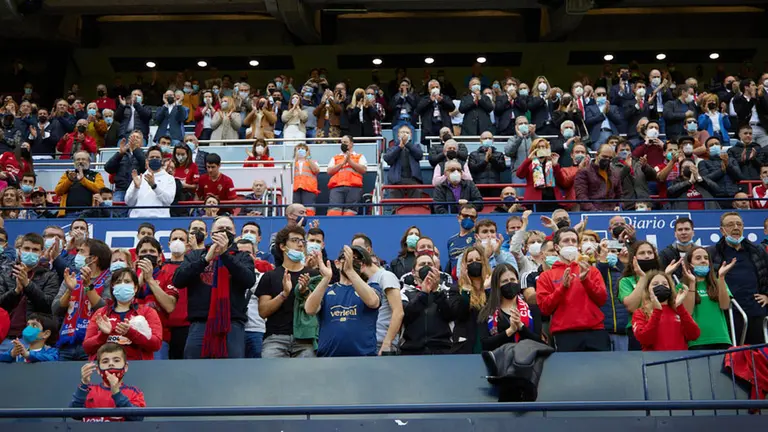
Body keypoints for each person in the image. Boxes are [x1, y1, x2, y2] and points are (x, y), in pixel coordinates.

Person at [173, 216, 256, 359]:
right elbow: (178, 280)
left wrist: (224, 255)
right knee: (194, 373)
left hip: (232, 324)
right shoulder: (195, 255)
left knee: (231, 374)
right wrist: (205, 260)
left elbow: (248, 280)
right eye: (219, 229)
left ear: (234, 234)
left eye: (228, 229)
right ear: (211, 234)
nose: (224, 232)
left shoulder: (242, 256)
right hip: (200, 324)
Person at [537, 228, 610, 352]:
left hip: (595, 331)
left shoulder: (591, 270)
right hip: (565, 334)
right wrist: (562, 288)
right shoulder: (546, 276)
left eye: (574, 241)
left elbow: (602, 299)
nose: (570, 243)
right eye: (566, 240)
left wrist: (586, 281)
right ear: (556, 247)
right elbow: (545, 308)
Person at [305, 246, 381, 357]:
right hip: (329, 359)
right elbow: (309, 309)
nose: (351, 261)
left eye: (356, 259)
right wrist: (326, 279)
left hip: (364, 359)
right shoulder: (326, 290)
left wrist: (350, 271)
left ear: (363, 266)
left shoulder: (372, 287)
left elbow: (373, 302)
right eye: (347, 258)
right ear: (337, 263)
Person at [707, 212, 768, 345]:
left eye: (739, 224)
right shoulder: (712, 253)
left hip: (756, 312)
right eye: (730, 225)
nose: (735, 227)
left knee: (758, 357)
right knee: (734, 357)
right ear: (722, 230)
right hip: (728, 313)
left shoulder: (757, 250)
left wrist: (767, 295)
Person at [256, 226, 316, 358]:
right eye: (295, 240)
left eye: (302, 241)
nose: (300, 244)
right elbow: (263, 312)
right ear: (283, 246)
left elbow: (317, 309)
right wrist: (284, 294)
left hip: (306, 339)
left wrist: (305, 292)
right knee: (272, 378)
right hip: (275, 338)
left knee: (309, 378)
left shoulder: (313, 275)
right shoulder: (269, 276)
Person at [52, 239, 113, 361]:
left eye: (81, 251)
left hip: (95, 343)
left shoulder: (109, 279)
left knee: (90, 380)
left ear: (93, 258)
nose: (77, 254)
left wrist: (88, 287)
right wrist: (70, 290)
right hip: (67, 343)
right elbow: (55, 309)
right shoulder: (72, 277)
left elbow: (105, 308)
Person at [83, 268, 162, 361]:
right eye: (118, 282)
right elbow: (87, 347)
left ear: (135, 287)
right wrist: (103, 335)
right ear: (112, 287)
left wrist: (131, 333)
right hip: (106, 370)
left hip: (139, 368)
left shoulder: (147, 312)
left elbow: (156, 344)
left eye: (127, 281)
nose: (123, 285)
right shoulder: (101, 313)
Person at [0, 233, 58, 353]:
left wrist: (28, 285)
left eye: (35, 250)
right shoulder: (6, 273)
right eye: (26, 249)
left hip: (33, 338)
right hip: (4, 337)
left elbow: (49, 306)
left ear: (42, 253)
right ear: (19, 251)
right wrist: (15, 291)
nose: (30, 252)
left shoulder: (49, 276)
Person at [400, 253, 461, 355]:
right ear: (413, 272)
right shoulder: (404, 293)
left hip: (442, 351)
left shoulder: (446, 291)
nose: (426, 267)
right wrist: (423, 294)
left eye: (430, 264)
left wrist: (436, 291)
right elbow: (406, 315)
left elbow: (450, 315)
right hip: (412, 351)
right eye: (422, 264)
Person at [353, 236, 403, 355]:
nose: (354, 258)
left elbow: (398, 312)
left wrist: (387, 344)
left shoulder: (385, 276)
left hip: (382, 344)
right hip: (365, 344)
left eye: (358, 250)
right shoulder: (363, 283)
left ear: (368, 251)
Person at [71, 343, 145, 422]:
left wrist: (116, 393)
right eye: (105, 361)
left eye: (116, 360)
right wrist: (84, 383)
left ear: (126, 367)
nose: (111, 364)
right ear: (98, 370)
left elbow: (138, 417)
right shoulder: (87, 390)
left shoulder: (134, 392)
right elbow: (74, 414)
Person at [133, 237, 179, 360]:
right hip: (131, 338)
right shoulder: (129, 277)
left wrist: (150, 280)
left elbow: (169, 306)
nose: (148, 255)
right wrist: (139, 281)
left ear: (159, 257)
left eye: (152, 251)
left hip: (159, 339)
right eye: (143, 252)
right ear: (137, 258)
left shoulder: (168, 275)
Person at [631, 270, 700, 352]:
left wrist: (680, 307)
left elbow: (694, 334)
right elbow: (645, 339)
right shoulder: (640, 313)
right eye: (655, 284)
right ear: (647, 289)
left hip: (680, 360)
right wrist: (657, 311)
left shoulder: (678, 310)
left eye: (665, 284)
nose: (661, 286)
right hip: (654, 362)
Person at [479, 264, 542, 351]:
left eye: (513, 280)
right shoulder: (486, 312)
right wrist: (510, 331)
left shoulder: (532, 309)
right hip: (499, 361)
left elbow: (539, 342)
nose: (510, 283)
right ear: (497, 285)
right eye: (505, 281)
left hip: (528, 360)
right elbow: (485, 344)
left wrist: (521, 327)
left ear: (518, 281)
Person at [682, 247, 734, 350]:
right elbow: (687, 311)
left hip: (721, 338)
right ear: (690, 264)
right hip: (697, 341)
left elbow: (725, 305)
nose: (703, 261)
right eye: (698, 258)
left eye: (706, 258)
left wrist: (722, 277)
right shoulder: (682, 286)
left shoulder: (719, 283)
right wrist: (692, 283)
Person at [236, 238, 273, 359]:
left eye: (247, 253)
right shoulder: (226, 277)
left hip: (256, 330)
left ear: (254, 255)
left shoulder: (264, 277)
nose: (243, 256)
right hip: (234, 330)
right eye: (239, 252)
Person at [516, 138, 566, 213]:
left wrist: (555, 165)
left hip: (553, 199)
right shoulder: (529, 162)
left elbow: (561, 181)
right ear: (534, 149)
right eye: (538, 147)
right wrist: (528, 160)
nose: (541, 149)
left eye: (543, 147)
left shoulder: (552, 162)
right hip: (534, 199)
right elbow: (519, 174)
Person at [124, 146, 175, 218]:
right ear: (147, 161)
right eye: (152, 157)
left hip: (160, 220)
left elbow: (169, 200)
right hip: (137, 220)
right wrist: (136, 188)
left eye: (157, 157)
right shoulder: (138, 178)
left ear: (162, 160)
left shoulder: (169, 178)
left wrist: (154, 186)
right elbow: (129, 203)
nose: (154, 159)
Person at [54, 151, 106, 217]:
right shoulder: (68, 175)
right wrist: (69, 180)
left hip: (89, 213)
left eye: (83, 159)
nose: (80, 161)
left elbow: (101, 190)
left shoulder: (95, 175)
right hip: (68, 213)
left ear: (89, 161)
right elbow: (58, 191)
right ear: (74, 162)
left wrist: (83, 180)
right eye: (78, 159)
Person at [574, 144, 622, 212]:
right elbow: (581, 196)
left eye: (610, 158)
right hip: (591, 214)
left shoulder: (615, 173)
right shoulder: (584, 172)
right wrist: (594, 211)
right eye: (604, 156)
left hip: (612, 213)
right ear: (596, 155)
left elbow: (619, 194)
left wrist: (618, 206)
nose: (607, 160)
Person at [327, 135, 367, 216]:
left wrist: (350, 161)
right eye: (341, 142)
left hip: (353, 187)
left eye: (345, 142)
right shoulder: (335, 157)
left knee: (350, 212)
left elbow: (363, 169)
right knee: (334, 211)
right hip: (337, 187)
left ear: (351, 144)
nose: (343, 144)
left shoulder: (359, 156)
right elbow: (329, 171)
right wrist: (342, 163)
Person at [104, 132, 147, 205]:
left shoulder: (145, 155)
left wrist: (135, 149)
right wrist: (120, 154)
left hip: (139, 190)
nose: (134, 139)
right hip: (120, 190)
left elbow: (145, 167)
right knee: (117, 214)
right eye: (132, 137)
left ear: (142, 142)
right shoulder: (121, 154)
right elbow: (108, 168)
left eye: (137, 137)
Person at [383, 125, 423, 199]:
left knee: (416, 204)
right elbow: (387, 159)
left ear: (411, 135)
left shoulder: (416, 146)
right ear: (398, 135)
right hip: (396, 180)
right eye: (402, 132)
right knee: (396, 206)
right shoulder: (392, 148)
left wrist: (407, 144)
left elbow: (419, 155)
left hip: (413, 179)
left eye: (407, 132)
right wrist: (399, 147)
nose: (404, 134)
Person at [416, 79, 455, 145]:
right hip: (430, 126)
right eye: (433, 87)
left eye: (437, 87)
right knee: (431, 147)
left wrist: (442, 101)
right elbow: (418, 110)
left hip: (443, 124)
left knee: (446, 144)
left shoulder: (444, 97)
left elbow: (452, 107)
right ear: (429, 89)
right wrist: (430, 100)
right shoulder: (424, 98)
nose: (435, 89)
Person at [468, 132, 506, 197]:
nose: (487, 140)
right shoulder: (473, 154)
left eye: (490, 138)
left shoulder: (499, 154)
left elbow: (502, 168)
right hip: (479, 187)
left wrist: (491, 159)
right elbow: (472, 169)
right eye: (485, 138)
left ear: (493, 140)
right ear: (480, 140)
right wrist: (485, 161)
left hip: (495, 186)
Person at [291, 144, 320, 215]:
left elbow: (316, 170)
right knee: (295, 209)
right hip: (295, 189)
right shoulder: (292, 163)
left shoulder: (312, 162)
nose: (301, 150)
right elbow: (289, 172)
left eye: (303, 149)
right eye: (299, 149)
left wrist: (308, 158)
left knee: (309, 209)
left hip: (309, 188)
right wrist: (295, 159)